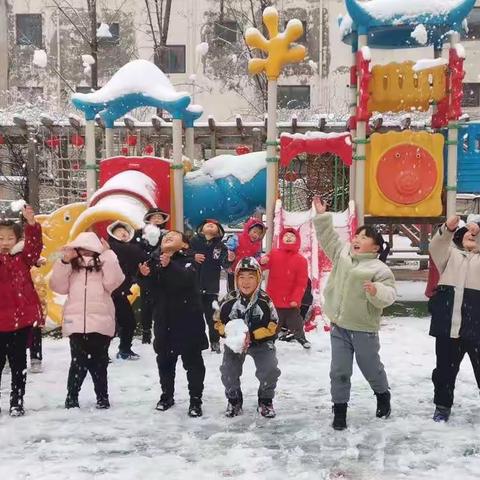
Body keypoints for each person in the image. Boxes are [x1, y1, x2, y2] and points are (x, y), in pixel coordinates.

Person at [313, 197, 396, 431]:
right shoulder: (342, 256)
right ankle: (339, 409)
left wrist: (375, 290)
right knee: (339, 370)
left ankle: (382, 394)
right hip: (339, 325)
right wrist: (322, 216)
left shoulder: (379, 269)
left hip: (364, 329)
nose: (357, 239)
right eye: (356, 236)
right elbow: (327, 238)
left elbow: (389, 294)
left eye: (364, 237)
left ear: (376, 247)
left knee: (370, 366)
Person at [49, 232, 124, 409]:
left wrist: (109, 255)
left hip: (100, 322)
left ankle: (102, 397)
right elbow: (58, 286)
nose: (86, 253)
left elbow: (114, 282)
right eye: (82, 249)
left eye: (91, 250)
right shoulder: (70, 267)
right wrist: (64, 261)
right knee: (78, 363)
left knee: (99, 363)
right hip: (75, 323)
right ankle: (72, 397)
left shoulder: (104, 264)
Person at [139, 230, 208, 417]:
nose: (168, 237)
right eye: (165, 236)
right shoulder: (154, 261)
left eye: (174, 235)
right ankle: (166, 396)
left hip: (188, 321)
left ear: (185, 244)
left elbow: (187, 280)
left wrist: (170, 266)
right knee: (165, 362)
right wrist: (144, 276)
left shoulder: (191, 260)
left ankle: (195, 400)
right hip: (164, 320)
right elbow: (150, 292)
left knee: (193, 363)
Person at [428, 215, 480, 422]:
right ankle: (442, 406)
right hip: (449, 328)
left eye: (477, 234)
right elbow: (437, 245)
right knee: (444, 372)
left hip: (477, 329)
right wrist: (448, 229)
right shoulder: (450, 257)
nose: (472, 235)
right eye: (467, 233)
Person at [215, 257, 281, 418]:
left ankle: (265, 400)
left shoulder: (265, 301)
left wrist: (253, 335)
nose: (246, 282)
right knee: (228, 371)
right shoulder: (228, 300)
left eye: (251, 277)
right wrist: (231, 334)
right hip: (235, 343)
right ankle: (234, 399)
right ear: (236, 278)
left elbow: (274, 323)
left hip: (261, 342)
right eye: (242, 277)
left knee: (270, 369)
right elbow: (217, 322)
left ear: (258, 278)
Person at [0, 205, 43, 416]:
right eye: (0, 238)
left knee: (18, 364)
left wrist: (32, 224)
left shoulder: (22, 258)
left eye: (9, 238)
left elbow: (35, 247)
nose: (5, 242)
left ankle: (17, 401)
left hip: (21, 320)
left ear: (17, 240)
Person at [190, 219, 235, 353]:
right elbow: (182, 254)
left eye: (214, 224)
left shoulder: (220, 246)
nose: (211, 225)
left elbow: (225, 264)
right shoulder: (193, 241)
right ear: (201, 228)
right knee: (195, 318)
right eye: (207, 223)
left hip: (211, 289)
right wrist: (193, 256)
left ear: (218, 231)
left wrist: (230, 259)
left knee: (213, 318)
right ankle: (198, 342)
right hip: (193, 287)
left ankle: (215, 342)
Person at [261, 227, 310, 349]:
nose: (288, 237)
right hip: (273, 298)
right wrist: (262, 261)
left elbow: (301, 283)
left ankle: (301, 337)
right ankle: (270, 340)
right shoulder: (274, 254)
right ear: (281, 239)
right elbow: (261, 267)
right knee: (273, 323)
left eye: (292, 236)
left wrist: (296, 298)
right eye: (286, 236)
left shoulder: (301, 260)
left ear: (297, 240)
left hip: (290, 301)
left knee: (296, 322)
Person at [107, 221, 147, 360]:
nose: (123, 233)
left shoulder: (133, 249)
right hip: (105, 293)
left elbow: (141, 265)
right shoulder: (108, 247)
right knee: (108, 325)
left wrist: (142, 272)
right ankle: (100, 354)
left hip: (121, 293)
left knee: (128, 321)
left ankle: (124, 349)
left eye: (125, 231)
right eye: (119, 231)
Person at [134, 208, 170, 344]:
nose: (156, 219)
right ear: (148, 219)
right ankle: (146, 331)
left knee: (163, 303)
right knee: (146, 304)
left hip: (163, 272)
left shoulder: (168, 234)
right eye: (153, 216)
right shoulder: (140, 233)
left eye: (159, 217)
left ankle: (162, 331)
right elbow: (135, 250)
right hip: (145, 272)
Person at [225, 217, 266, 291]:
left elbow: (257, 256)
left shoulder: (257, 244)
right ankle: (231, 298)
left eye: (259, 233)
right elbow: (229, 247)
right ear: (248, 230)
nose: (256, 235)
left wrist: (259, 261)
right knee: (233, 288)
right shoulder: (237, 238)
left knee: (245, 287)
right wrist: (230, 252)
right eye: (254, 232)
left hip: (247, 271)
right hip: (233, 268)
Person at [29, 256, 48, 373]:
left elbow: (41, 290)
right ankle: (7, 358)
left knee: (34, 330)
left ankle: (35, 358)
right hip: (9, 306)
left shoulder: (32, 270)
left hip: (30, 305)